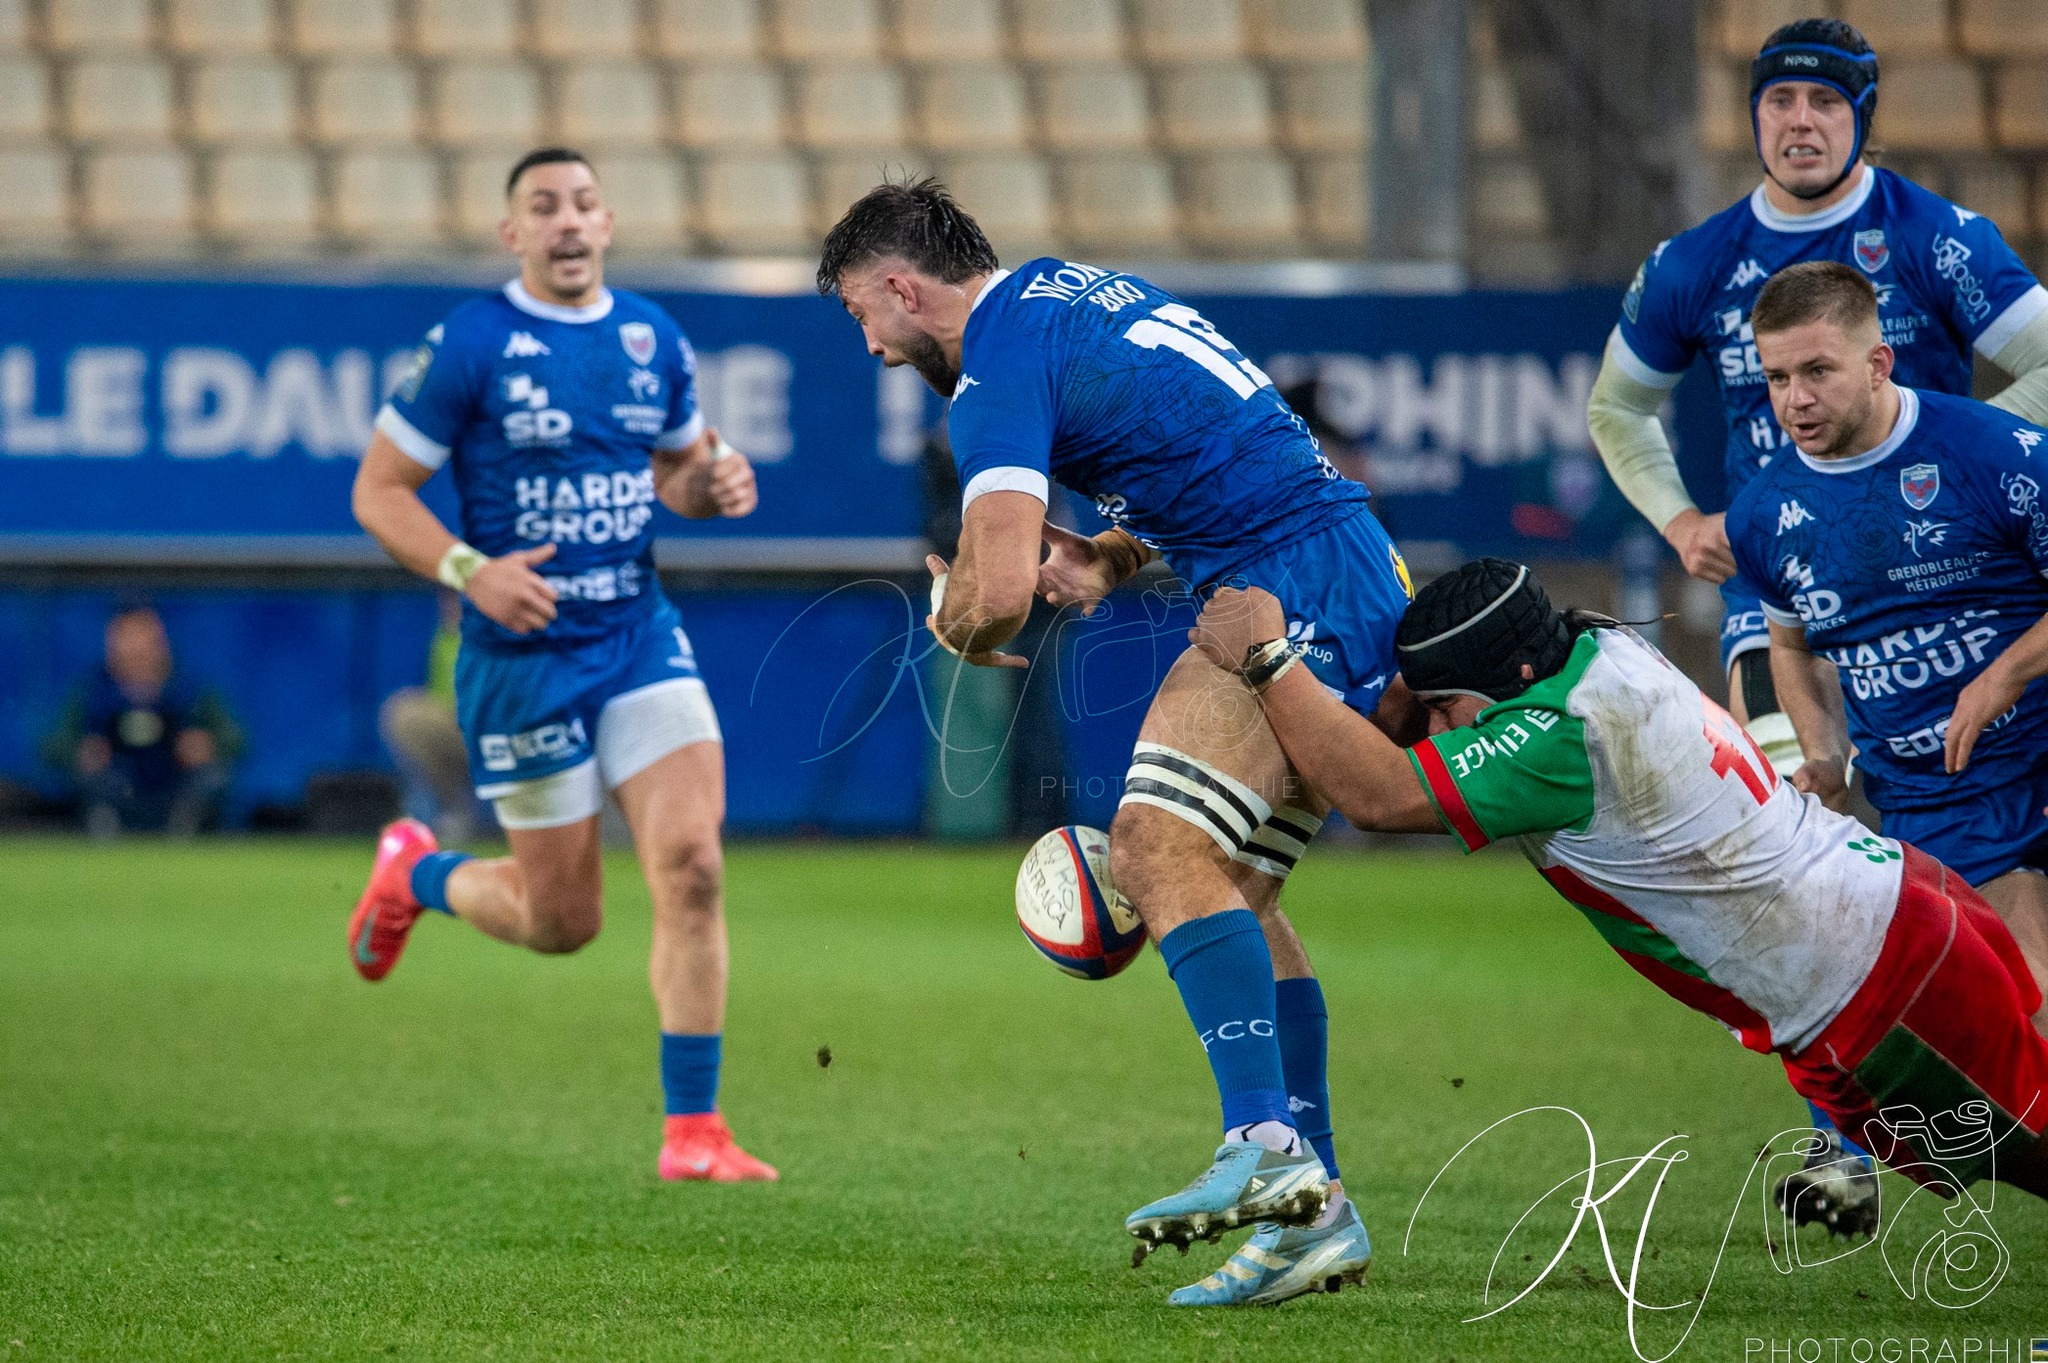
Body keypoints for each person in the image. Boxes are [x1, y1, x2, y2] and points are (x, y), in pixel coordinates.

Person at [819, 178, 1410, 1306]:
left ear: (901, 285)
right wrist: (1107, 556)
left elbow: (992, 594)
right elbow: (1205, 441)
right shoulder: (1075, 291)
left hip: (1286, 586)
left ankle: (1267, 1146)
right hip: (1339, 564)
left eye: (862, 316)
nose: (874, 348)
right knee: (1237, 888)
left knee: (1148, 849)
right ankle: (1312, 1208)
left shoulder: (992, 371)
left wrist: (951, 619)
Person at [1189, 562, 2048, 1219]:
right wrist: (1426, 684)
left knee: (2033, 1148)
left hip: (1877, 985)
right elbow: (1425, 717)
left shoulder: (1557, 739)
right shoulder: (1602, 649)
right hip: (1896, 905)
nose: (1436, 731)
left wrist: (1269, 656)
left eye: (1446, 710)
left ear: (1495, 692)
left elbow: (1375, 794)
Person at [348, 147, 774, 1183]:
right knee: (561, 922)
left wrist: (713, 485)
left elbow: (679, 473)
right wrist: (469, 569)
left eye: (584, 203)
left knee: (693, 865)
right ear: (514, 235)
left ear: (608, 221)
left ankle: (694, 1131)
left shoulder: (651, 338)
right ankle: (416, 872)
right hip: (520, 661)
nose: (567, 222)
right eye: (544, 208)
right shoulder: (470, 343)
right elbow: (379, 493)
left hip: (636, 636)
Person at [1589, 17, 2048, 772]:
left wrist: (1967, 454)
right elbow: (1616, 407)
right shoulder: (1692, 264)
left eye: (1826, 101)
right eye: (1779, 99)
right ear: (1754, 116)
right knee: (1789, 810)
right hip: (1782, 585)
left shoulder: (1937, 237)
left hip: (1945, 579)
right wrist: (1677, 522)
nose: (1800, 119)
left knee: (1952, 817)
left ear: (1862, 121)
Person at [1726, 261, 2048, 1040]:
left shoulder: (1997, 453)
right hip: (1935, 800)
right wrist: (1825, 756)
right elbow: (1790, 645)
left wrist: (2000, 677)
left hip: (2035, 750)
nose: (1794, 399)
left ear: (1878, 364)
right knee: (2011, 1021)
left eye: (1816, 371)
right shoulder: (1764, 513)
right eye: (1775, 376)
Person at [45, 604, 240, 838]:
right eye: (126, 639)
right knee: (86, 779)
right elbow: (53, 745)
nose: (135, 649)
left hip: (174, 791)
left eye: (143, 639)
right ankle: (106, 829)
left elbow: (235, 738)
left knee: (213, 777)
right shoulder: (91, 692)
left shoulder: (190, 691)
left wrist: (207, 746)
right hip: (119, 790)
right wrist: (82, 751)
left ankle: (185, 828)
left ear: (160, 644)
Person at [380, 591, 487, 846]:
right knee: (404, 712)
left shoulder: (494, 638)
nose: (451, 606)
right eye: (449, 599)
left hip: (495, 728)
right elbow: (441, 694)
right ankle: (434, 815)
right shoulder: (445, 638)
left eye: (460, 599)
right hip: (458, 729)